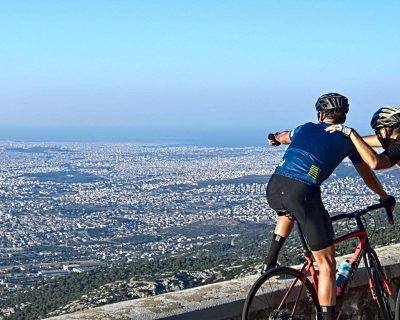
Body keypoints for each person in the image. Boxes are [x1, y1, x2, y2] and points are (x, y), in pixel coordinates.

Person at [264, 93, 392, 320]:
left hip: (274, 187)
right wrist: (384, 196)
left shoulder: (304, 128)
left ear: (320, 114)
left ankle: (269, 263)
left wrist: (274, 137)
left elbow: (283, 137)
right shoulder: (347, 140)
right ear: (343, 117)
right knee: (326, 264)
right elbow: (368, 176)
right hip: (302, 193)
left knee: (287, 212)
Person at [325, 106, 400, 169]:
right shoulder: (394, 139)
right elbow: (367, 141)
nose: (377, 135)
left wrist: (351, 132)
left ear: (384, 130)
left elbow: (375, 163)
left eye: (377, 131)